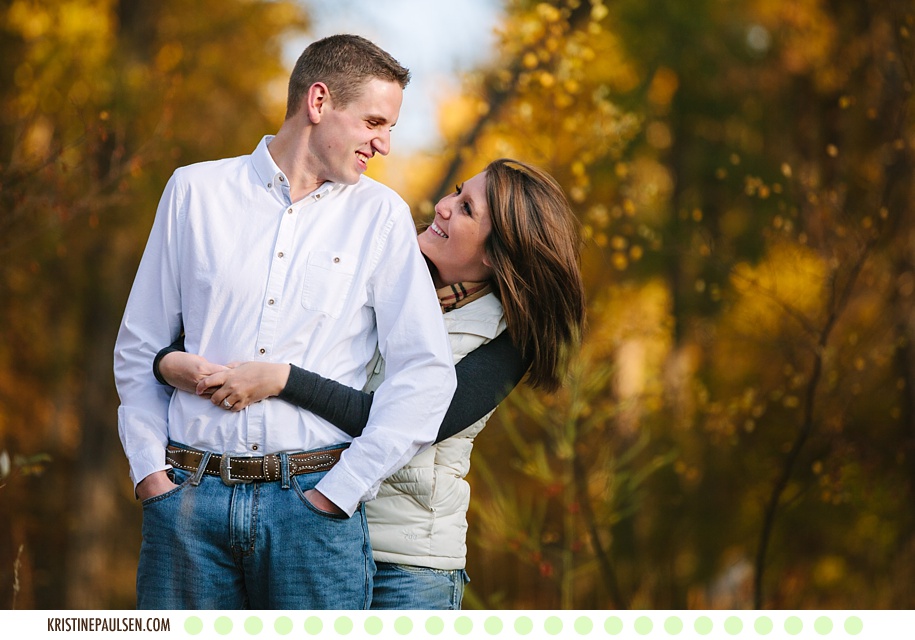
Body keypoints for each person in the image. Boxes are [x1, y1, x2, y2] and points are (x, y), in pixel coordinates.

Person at [112, 34, 458, 610]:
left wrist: (341, 492)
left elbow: (425, 375)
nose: (385, 144)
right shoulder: (194, 192)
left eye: (391, 127)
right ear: (318, 103)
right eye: (375, 121)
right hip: (188, 509)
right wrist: (152, 476)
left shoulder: (381, 218)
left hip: (313, 514)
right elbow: (138, 348)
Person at [156, 158, 586, 609]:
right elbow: (240, 330)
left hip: (405, 565)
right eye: (456, 192)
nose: (442, 207)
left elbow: (407, 419)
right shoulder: (380, 264)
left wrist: (284, 380)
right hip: (311, 538)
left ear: (498, 253)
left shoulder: (507, 342)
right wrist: (168, 360)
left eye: (466, 210)